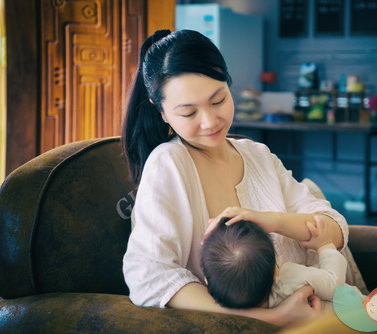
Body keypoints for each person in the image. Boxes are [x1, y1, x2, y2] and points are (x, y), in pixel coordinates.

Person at [121, 29, 349, 327]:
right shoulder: (169, 164)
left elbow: (334, 229)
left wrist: (271, 220)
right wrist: (269, 317)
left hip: (333, 311)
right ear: (161, 112)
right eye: (188, 113)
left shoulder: (257, 155)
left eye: (218, 100)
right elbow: (149, 276)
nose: (210, 121)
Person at [201, 216, 348, 309]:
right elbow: (334, 283)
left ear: (207, 281)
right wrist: (325, 245)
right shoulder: (290, 278)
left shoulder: (236, 311)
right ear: (276, 271)